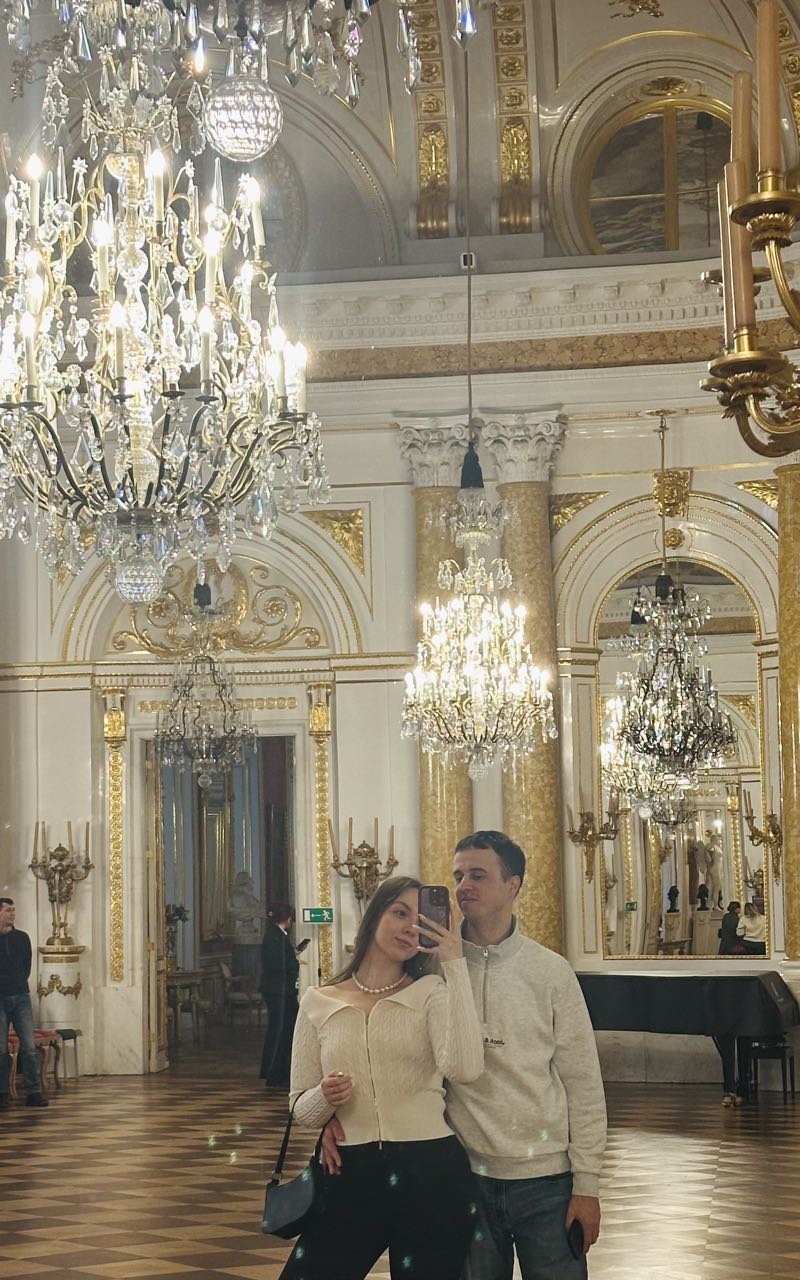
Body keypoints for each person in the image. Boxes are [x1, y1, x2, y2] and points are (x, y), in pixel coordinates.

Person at [323, 833, 607, 1280]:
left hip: (546, 1178)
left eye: (477, 875)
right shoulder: (427, 968)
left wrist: (587, 1184)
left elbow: (583, 1081)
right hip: (462, 1174)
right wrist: (333, 1116)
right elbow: (380, 1054)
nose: (463, 886)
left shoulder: (551, 972)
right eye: (457, 876)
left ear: (513, 885)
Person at [277, 875, 484, 1280]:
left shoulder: (430, 993)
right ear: (374, 916)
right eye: (400, 913)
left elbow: (465, 1068)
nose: (410, 928)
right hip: (348, 1171)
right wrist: (324, 1097)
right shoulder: (318, 1001)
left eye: (421, 920)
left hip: (431, 1173)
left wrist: (454, 964)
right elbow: (300, 1107)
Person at [0, 898, 48, 1109]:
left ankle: (34, 1092)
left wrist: (18, 981)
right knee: (1, 1049)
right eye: (8, 910)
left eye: (14, 910)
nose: (12, 914)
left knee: (28, 1047)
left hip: (20, 997)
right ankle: (2, 1093)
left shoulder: (22, 937)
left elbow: (26, 966)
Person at [259, 902, 300, 1089]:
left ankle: (276, 1072)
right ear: (288, 919)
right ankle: (276, 1075)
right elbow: (280, 965)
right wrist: (295, 964)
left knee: (279, 1031)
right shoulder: (277, 938)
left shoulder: (274, 936)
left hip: (277, 990)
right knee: (280, 1032)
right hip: (280, 991)